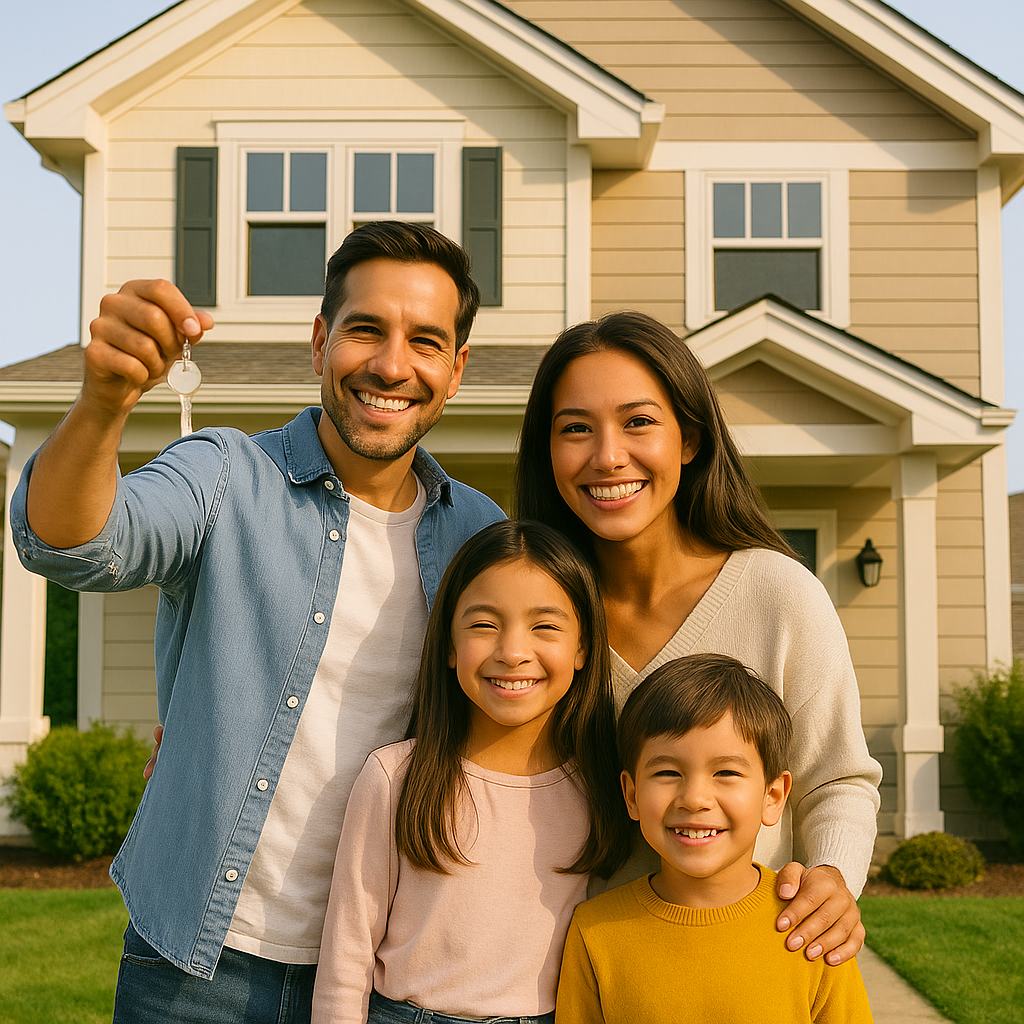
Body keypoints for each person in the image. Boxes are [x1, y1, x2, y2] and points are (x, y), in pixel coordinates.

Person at [9, 222, 505, 1023]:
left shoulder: (481, 538)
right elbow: (76, 544)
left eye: (425, 341)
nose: (390, 364)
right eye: (365, 329)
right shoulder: (224, 474)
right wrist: (105, 400)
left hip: (385, 969)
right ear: (319, 343)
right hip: (194, 971)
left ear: (455, 371)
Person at [513, 310, 883, 965]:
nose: (607, 456)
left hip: (744, 965)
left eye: (638, 422)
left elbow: (838, 778)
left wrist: (832, 877)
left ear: (689, 439)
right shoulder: (536, 616)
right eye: (576, 428)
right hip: (573, 976)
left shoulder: (780, 594)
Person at [311, 519, 633, 1024]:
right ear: (447, 644)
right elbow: (347, 955)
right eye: (484, 625)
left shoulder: (601, 788)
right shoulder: (396, 777)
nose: (512, 652)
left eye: (544, 626)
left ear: (583, 648)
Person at [554, 654, 874, 1022]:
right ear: (631, 794)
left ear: (773, 797)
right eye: (668, 772)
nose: (695, 799)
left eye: (725, 772)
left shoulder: (813, 927)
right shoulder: (595, 931)